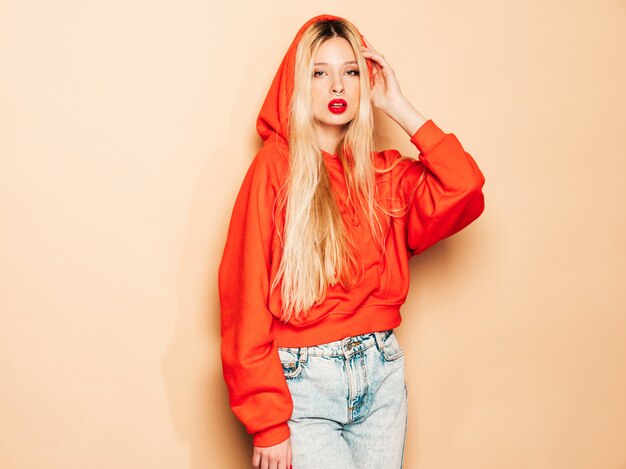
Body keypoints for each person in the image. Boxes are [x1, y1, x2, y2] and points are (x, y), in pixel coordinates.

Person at [218, 13, 485, 469]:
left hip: (381, 376)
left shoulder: (386, 174)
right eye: (320, 73)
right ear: (299, 84)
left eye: (351, 72)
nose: (336, 86)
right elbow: (243, 297)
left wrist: (398, 106)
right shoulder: (275, 169)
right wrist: (267, 422)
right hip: (303, 385)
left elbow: (464, 187)